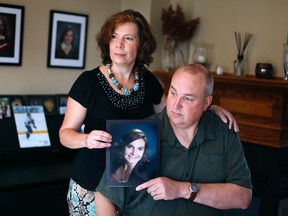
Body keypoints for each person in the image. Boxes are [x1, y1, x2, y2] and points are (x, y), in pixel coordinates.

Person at [59, 9, 239, 215]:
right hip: (90, 185)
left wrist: (208, 108)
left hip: (133, 189)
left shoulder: (149, 82)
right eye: (114, 37)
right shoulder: (88, 82)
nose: (119, 44)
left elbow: (173, 116)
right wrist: (85, 139)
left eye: (128, 38)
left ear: (141, 45)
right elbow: (65, 135)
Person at [95, 64, 253, 216]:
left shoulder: (224, 132)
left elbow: (243, 197)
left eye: (188, 99)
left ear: (206, 103)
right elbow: (104, 198)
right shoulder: (140, 133)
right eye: (173, 93)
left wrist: (182, 190)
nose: (176, 105)